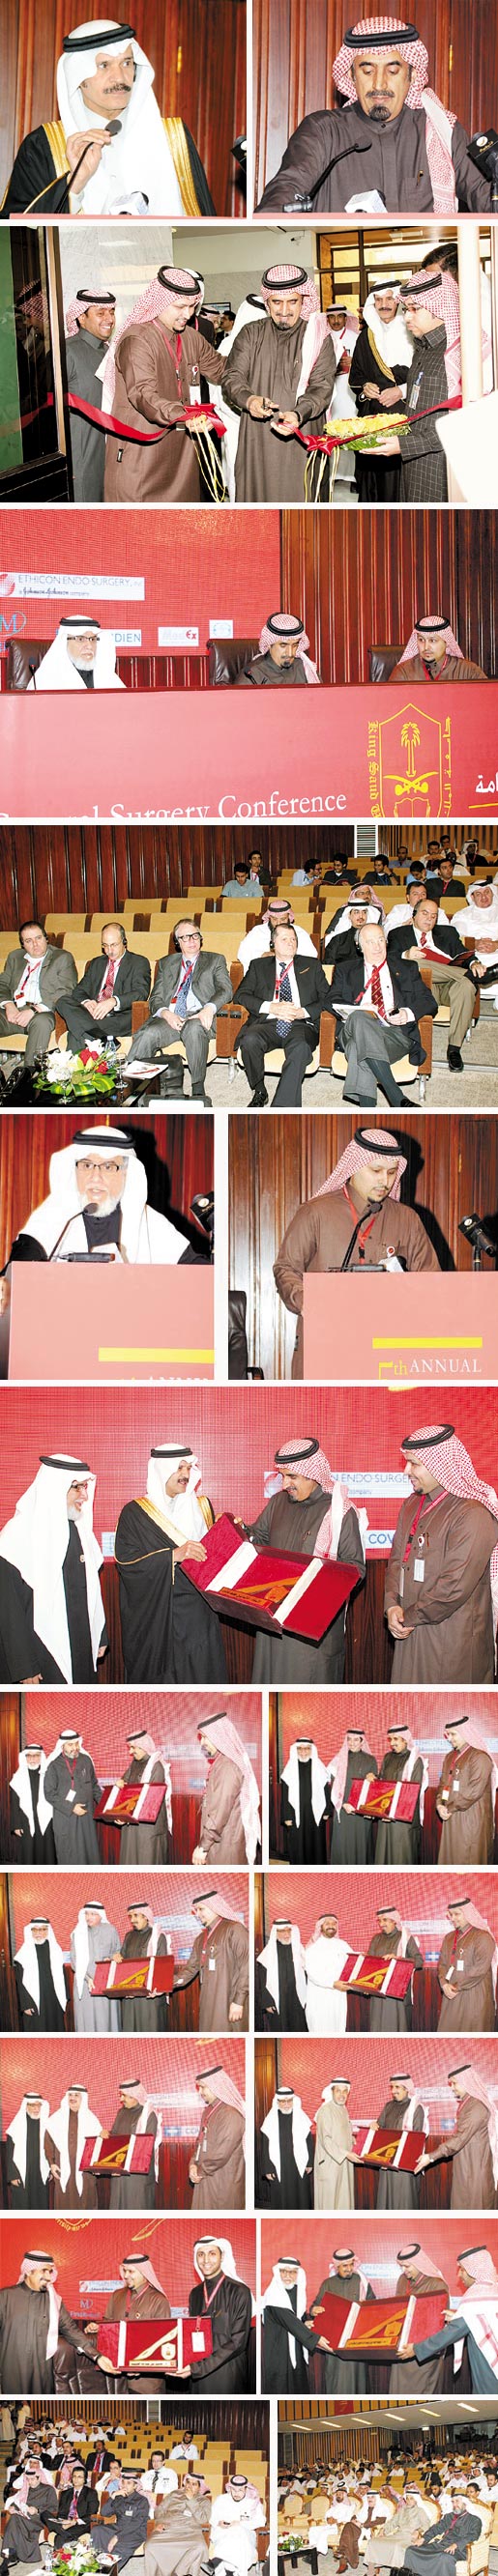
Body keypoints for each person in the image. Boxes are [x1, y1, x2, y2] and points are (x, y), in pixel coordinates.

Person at [256, 14, 494, 215]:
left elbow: (486, 198)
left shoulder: (440, 133)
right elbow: (287, 187)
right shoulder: (323, 131)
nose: (379, 84)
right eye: (368, 71)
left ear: (412, 75)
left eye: (393, 71)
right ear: (351, 75)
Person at [2, 18, 214, 216]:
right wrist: (74, 187)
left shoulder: (174, 139)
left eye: (126, 63)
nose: (119, 78)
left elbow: (206, 224)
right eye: (104, 65)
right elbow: (16, 233)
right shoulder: (43, 146)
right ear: (78, 77)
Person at [275, 1126, 439, 1376]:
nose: (385, 1181)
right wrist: (306, 1300)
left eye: (392, 1172)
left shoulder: (407, 1220)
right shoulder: (315, 1212)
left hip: (386, 1347)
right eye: (376, 1171)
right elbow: (286, 1268)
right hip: (326, 1343)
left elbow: (431, 1281)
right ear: (354, 1167)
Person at [385, 1421, 498, 1682]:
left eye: (414, 1464)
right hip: (408, 1630)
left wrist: (408, 1616)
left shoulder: (472, 1513)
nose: (406, 1471)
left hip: (452, 1640)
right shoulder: (411, 1504)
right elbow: (396, 1562)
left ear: (440, 1465)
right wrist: (391, 1606)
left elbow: (454, 1587)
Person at [103, 267, 227, 505]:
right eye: (180, 307)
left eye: (191, 306)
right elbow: (143, 395)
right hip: (142, 451)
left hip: (182, 453)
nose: (187, 314)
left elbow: (221, 369)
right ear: (159, 302)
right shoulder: (137, 340)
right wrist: (184, 416)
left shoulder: (190, 337)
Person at [246, 1432, 365, 1679]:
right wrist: (241, 1532)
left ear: (313, 1475)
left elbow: (355, 1569)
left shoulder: (339, 1512)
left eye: (292, 1477)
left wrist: (313, 1591)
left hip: (311, 1627)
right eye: (282, 1476)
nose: (285, 1484)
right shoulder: (278, 1502)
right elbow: (259, 1539)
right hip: (273, 1617)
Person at [115, 1440, 227, 1683]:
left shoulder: (202, 1506)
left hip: (199, 1612)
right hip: (160, 1613)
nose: (185, 1474)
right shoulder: (135, 1513)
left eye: (188, 1468)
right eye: (179, 1468)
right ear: (162, 1471)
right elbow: (127, 1564)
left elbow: (213, 1556)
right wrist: (173, 1556)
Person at [223, 263, 337, 503]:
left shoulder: (318, 337)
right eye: (277, 302)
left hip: (303, 432)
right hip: (258, 436)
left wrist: (298, 413)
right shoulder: (250, 333)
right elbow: (232, 376)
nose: (284, 311)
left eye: (292, 302)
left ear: (304, 301)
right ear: (267, 302)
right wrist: (249, 400)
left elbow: (322, 386)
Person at [376, 266, 489, 502]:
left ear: (440, 308)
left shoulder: (459, 351)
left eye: (415, 309)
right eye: (406, 309)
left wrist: (406, 445)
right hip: (413, 459)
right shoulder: (424, 347)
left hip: (442, 465)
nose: (407, 317)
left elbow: (465, 422)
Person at [0, 1452, 107, 1684]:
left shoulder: (80, 1531)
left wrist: (100, 1634)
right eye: (77, 1487)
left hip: (80, 1642)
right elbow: (9, 1610)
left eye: (85, 1487)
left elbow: (92, 1590)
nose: (84, 1495)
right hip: (39, 1652)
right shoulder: (15, 1537)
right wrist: (24, 1666)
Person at [331, 920, 436, 1106]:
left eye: (380, 940)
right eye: (370, 942)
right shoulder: (345, 969)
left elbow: (429, 1001)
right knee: (360, 1016)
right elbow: (330, 1000)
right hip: (353, 1029)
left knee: (357, 1049)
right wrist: (358, 1007)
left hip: (395, 1034)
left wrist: (407, 1013)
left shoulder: (406, 967)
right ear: (359, 946)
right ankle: (397, 1097)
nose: (377, 946)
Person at [125, 920, 231, 1102]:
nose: (192, 940)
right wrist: (166, 1014)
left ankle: (198, 1088)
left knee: (194, 1028)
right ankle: (130, 1087)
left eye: (195, 935)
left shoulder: (215, 960)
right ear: (177, 942)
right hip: (172, 1016)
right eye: (185, 937)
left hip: (199, 1014)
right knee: (148, 1034)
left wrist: (209, 1008)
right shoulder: (166, 963)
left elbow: (226, 990)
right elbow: (155, 998)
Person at [236, 921, 335, 1106]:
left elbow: (328, 998)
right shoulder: (259, 965)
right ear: (272, 943)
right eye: (284, 939)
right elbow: (241, 995)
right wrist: (270, 1007)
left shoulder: (311, 965)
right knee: (249, 1040)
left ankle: (282, 1106)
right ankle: (259, 1090)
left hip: (300, 1024)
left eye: (293, 939)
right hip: (268, 1022)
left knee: (301, 1048)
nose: (290, 943)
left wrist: (303, 1012)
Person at [388, 896, 478, 1072]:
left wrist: (474, 963)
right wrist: (405, 955)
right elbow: (389, 960)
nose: (429, 918)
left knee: (466, 986)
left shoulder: (447, 933)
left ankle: (454, 1049)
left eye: (434, 916)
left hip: (448, 985)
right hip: (421, 990)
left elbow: (463, 954)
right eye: (425, 913)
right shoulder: (398, 934)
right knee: (415, 963)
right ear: (414, 915)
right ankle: (469, 976)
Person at [0, 2252, 95, 2397]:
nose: (49, 2277)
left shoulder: (53, 2301)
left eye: (50, 2271)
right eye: (44, 2271)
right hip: (11, 2371)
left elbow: (71, 2330)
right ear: (29, 2271)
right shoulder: (5, 2297)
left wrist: (97, 2356)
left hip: (42, 2373)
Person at [348, 283, 410, 503]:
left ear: (399, 302)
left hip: (406, 417)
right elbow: (356, 375)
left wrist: (401, 391)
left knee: (398, 482)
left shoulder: (413, 331)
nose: (384, 305)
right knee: (372, 480)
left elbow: (429, 375)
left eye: (390, 299)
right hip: (372, 416)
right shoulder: (367, 337)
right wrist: (365, 387)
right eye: (379, 300)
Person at [408, 2245, 498, 2394]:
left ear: (473, 2271)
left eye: (462, 2270)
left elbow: (453, 2331)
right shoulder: (493, 2289)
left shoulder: (477, 2295)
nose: (459, 2275)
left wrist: (417, 2349)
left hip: (488, 2363)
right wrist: (457, 2316)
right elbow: (483, 2319)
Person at [415, 2063, 498, 2211]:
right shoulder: (468, 2103)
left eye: (454, 2083)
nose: (452, 2088)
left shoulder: (477, 2106)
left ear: (466, 2082)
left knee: (476, 2206)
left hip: (475, 2168)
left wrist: (431, 2156)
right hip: (466, 2164)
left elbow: (460, 2138)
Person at [57, 927, 150, 1055]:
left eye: (114, 945)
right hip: (91, 1013)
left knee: (76, 1031)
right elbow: (79, 991)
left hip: (118, 1017)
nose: (109, 950)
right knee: (62, 1001)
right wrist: (86, 1002)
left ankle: (73, 1065)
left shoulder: (139, 962)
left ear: (124, 942)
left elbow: (141, 993)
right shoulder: (97, 963)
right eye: (105, 945)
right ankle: (104, 1039)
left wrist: (113, 1001)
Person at [0, 921, 77, 1069]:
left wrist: (33, 1010)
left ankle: (29, 1072)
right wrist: (8, 1005)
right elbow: (2, 984)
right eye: (28, 941)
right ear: (22, 944)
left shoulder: (62, 957)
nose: (35, 944)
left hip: (42, 1012)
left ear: (46, 938)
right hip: (13, 1011)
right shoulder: (15, 957)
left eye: (38, 938)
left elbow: (66, 990)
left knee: (42, 1022)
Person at [65, 287, 116, 501]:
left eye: (111, 312)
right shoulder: (67, 351)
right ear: (81, 317)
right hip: (82, 457)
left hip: (108, 452)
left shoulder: (109, 351)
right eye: (100, 313)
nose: (109, 319)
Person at [172, 1888, 249, 2029]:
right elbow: (190, 1969)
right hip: (208, 2001)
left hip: (229, 2000)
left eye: (201, 1909)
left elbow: (247, 1966)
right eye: (196, 1910)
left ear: (215, 1907)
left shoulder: (234, 1929)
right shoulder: (200, 1938)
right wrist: (166, 1985)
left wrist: (239, 2001)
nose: (198, 1914)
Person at [193, 1712, 261, 1866]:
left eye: (205, 1737)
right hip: (222, 1839)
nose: (202, 1742)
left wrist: (203, 1846)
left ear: (217, 1736)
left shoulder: (228, 1766)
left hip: (225, 1843)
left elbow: (220, 1812)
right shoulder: (222, 1762)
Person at [187, 2236, 253, 2390]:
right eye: (201, 2254)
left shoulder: (240, 2291)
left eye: (212, 2253)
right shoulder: (195, 2293)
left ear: (222, 2256)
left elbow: (238, 2342)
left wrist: (199, 2368)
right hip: (196, 2374)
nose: (206, 2260)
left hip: (226, 2374)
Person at [308, 2247, 376, 2395]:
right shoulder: (328, 2284)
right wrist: (314, 2310)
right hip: (335, 2341)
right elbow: (315, 2306)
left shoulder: (361, 2282)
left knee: (358, 2377)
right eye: (345, 2266)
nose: (349, 2269)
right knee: (336, 2379)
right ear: (337, 2266)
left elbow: (373, 2305)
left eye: (351, 2264)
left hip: (356, 2339)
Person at [436, 1713, 497, 1864]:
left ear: (465, 1733)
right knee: (451, 1857)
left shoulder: (480, 1757)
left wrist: (449, 1807)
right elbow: (443, 1784)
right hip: (450, 1815)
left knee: (468, 1858)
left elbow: (474, 1792)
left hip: (471, 1818)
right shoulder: (449, 1757)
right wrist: (440, 1805)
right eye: (448, 1735)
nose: (449, 1738)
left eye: (453, 1734)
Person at [262, 2255, 327, 2394]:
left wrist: (305, 2323)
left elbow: (297, 2319)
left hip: (297, 2347)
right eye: (284, 2271)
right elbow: (289, 2321)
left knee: (298, 2385)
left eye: (292, 2272)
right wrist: (316, 2339)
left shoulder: (298, 2292)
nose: (288, 2276)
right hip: (279, 2349)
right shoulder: (274, 2294)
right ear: (278, 2272)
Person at [436, 1895, 496, 2033]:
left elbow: (480, 1970)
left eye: (457, 1914)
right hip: (451, 1994)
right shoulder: (448, 1937)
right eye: (451, 1915)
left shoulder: (483, 1937)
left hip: (474, 1995)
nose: (453, 1918)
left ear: (468, 1913)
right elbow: (442, 1964)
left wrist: (456, 1987)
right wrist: (444, 1984)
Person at [189, 2065, 246, 2208]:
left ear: (216, 2086)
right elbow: (199, 2143)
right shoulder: (208, 2111)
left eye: (203, 2087)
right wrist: (193, 2165)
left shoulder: (231, 2114)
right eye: (199, 2088)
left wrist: (200, 2170)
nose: (200, 2092)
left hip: (223, 2181)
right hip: (204, 2175)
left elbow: (222, 2154)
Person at [44, 1727, 102, 1864]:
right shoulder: (54, 1765)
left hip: (86, 1818)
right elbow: (49, 1793)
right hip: (66, 1819)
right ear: (62, 1746)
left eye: (76, 1744)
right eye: (70, 1745)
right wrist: (72, 1808)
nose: (75, 1748)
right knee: (70, 1856)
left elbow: (94, 1786)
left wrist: (107, 1807)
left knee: (88, 1855)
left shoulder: (86, 1760)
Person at [117, 1726, 172, 1865]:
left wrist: (126, 1817)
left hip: (148, 1827)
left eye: (133, 1748)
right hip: (132, 1823)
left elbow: (151, 1800)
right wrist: (120, 1783)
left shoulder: (156, 1767)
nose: (130, 1752)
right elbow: (125, 1786)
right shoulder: (135, 1764)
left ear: (143, 1746)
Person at [374, 1719, 426, 1865]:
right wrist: (374, 1779)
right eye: (390, 1739)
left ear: (405, 1739)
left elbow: (413, 1791)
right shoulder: (388, 1757)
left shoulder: (415, 1760)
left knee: (401, 1855)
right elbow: (382, 1782)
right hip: (386, 1814)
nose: (392, 1743)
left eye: (395, 1739)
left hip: (403, 1817)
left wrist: (394, 1813)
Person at [117, 1900, 173, 2034]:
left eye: (136, 1916)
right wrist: (116, 1958)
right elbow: (123, 1962)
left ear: (146, 1916)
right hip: (130, 1996)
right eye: (130, 1916)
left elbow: (162, 1968)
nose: (132, 1920)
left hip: (150, 1997)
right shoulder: (129, 1936)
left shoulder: (158, 1937)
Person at [27, 616, 126, 691]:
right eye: (80, 639)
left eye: (93, 639)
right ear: (65, 642)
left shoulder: (107, 676)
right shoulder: (46, 679)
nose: (89, 646)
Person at [367, 1904, 424, 2033]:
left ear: (394, 1921)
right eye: (379, 1921)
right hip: (378, 1990)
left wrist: (398, 1959)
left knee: (397, 2025)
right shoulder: (376, 1939)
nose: (381, 1924)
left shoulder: (405, 1938)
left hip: (397, 1991)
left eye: (385, 1920)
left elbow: (419, 1961)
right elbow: (370, 1963)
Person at [374, 2074, 426, 2210]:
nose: (393, 2091)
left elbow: (416, 2141)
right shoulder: (388, 2106)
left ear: (406, 2088)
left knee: (404, 2202)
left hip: (404, 2167)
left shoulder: (416, 2108)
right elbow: (380, 2130)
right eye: (392, 2087)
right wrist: (374, 2126)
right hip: (386, 2163)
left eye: (397, 2087)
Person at [388, 613, 488, 683]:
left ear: (446, 642)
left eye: (432, 640)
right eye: (421, 640)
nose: (426, 647)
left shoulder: (468, 671)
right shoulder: (403, 672)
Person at [328, 1724, 378, 1865]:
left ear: (362, 1742)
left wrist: (373, 1778)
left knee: (361, 1843)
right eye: (349, 1739)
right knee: (343, 1844)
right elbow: (334, 1787)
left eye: (356, 1740)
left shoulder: (370, 1760)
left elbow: (375, 1788)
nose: (352, 1743)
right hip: (343, 1809)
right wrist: (344, 1804)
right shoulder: (338, 1760)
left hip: (362, 1810)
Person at [45, 2085, 102, 2209]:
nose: (72, 2098)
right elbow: (48, 2142)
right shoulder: (56, 2119)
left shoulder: (92, 2120)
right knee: (64, 2202)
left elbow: (99, 2145)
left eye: (76, 2095)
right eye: (70, 2095)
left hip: (85, 2171)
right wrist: (52, 2163)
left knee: (85, 2201)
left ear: (83, 2098)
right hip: (62, 2168)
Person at [107, 2078, 160, 2210]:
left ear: (134, 2095)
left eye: (124, 2096)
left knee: (137, 2205)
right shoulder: (121, 2112)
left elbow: (146, 2145)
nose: (121, 2099)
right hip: (119, 2170)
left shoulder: (148, 2115)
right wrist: (106, 2134)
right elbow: (115, 2136)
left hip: (137, 2174)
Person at [71, 1900, 121, 2033]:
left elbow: (117, 1951)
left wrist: (112, 1957)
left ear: (101, 1915)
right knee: (86, 2019)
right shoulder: (78, 1934)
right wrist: (88, 1978)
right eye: (87, 1914)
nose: (89, 1917)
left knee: (107, 2019)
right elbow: (74, 1961)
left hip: (106, 1981)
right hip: (85, 1982)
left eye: (93, 1914)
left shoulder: (110, 1930)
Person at [235, 610, 321, 686]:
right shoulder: (252, 675)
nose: (290, 653)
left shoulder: (304, 668)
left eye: (294, 645)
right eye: (283, 645)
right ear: (269, 644)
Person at [260, 2087, 314, 2207]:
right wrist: (268, 2169)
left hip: (299, 2165)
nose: (286, 2104)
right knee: (281, 2198)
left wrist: (310, 2162)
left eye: (289, 2101)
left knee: (301, 2197)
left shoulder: (301, 2118)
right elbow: (265, 2147)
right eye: (282, 2101)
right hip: (279, 2165)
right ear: (277, 2102)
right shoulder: (270, 2120)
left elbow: (309, 2142)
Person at [279, 1736, 331, 1863]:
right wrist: (287, 1816)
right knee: (298, 1844)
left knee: (316, 1843)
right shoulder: (290, 1769)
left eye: (307, 1749)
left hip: (316, 1813)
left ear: (311, 1750)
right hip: (296, 1813)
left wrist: (327, 1811)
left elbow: (325, 1790)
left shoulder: (319, 1767)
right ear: (295, 1750)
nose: (303, 1752)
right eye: (300, 1749)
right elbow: (285, 1795)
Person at [143, 2476, 206, 2576]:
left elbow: (203, 2519)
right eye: (188, 2483)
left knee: (200, 2547)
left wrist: (191, 2500)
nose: (189, 2486)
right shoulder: (174, 2494)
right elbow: (159, 2510)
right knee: (150, 2545)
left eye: (194, 2484)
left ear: (199, 2488)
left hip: (190, 2531)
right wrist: (158, 2523)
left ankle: (179, 2573)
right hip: (168, 2528)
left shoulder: (203, 2500)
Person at [14, 1917, 68, 2032]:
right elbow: (20, 1982)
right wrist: (26, 2004)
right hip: (32, 2001)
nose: (38, 1933)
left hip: (54, 1999)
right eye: (35, 1929)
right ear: (30, 1931)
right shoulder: (24, 1953)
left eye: (42, 1929)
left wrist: (65, 1997)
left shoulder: (55, 1950)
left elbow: (62, 1976)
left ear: (48, 1931)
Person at [237, 895, 317, 970]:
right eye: (274, 919)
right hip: (263, 973)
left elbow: (312, 955)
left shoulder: (299, 932)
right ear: (269, 917)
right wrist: (261, 955)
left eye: (283, 919)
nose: (278, 923)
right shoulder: (257, 931)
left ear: (289, 917)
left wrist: (288, 957)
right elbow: (242, 953)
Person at [255, 1916, 308, 2031]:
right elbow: (263, 1978)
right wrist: (268, 2001)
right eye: (282, 1931)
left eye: (288, 1930)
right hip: (278, 1997)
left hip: (297, 1996)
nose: (286, 1934)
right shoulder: (269, 1952)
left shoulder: (298, 1948)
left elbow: (306, 1973)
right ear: (276, 1932)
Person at [305, 1913, 351, 2035]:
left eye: (334, 1923)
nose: (331, 1926)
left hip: (339, 1997)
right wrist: (333, 1984)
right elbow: (312, 1974)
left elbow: (353, 1964)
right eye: (327, 1923)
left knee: (338, 2028)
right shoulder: (313, 1948)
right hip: (320, 1998)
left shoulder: (343, 1945)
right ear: (320, 1927)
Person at [4, 2458, 60, 2560]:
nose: (30, 2482)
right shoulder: (27, 2489)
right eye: (28, 2480)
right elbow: (19, 2501)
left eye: (32, 2479)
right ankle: (10, 2554)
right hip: (25, 2517)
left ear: (39, 2478)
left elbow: (54, 2508)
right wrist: (12, 2507)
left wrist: (37, 2510)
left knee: (15, 2519)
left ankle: (10, 2555)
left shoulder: (49, 2489)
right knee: (15, 2517)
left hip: (40, 2519)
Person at [9, 1742, 56, 1863]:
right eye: (29, 1755)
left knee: (47, 1852)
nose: (33, 1759)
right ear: (25, 1757)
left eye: (36, 1755)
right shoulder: (18, 1778)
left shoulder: (48, 1775)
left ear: (41, 1757)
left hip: (46, 1820)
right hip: (25, 1821)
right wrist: (16, 1825)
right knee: (28, 1853)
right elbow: (14, 1803)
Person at [313, 2078, 355, 2212]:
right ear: (332, 2092)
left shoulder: (343, 2109)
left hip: (344, 2162)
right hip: (330, 2163)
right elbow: (326, 2140)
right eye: (338, 2091)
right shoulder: (325, 2110)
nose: (342, 2095)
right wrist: (346, 2154)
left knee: (343, 2199)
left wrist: (353, 2139)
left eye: (345, 2091)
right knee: (330, 2201)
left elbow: (341, 2133)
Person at [6, 2095, 52, 2211]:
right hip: (21, 2173)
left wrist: (50, 2168)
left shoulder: (46, 2124)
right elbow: (9, 2152)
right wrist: (13, 2175)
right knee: (22, 2204)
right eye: (32, 2105)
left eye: (38, 2105)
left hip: (40, 2172)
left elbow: (50, 2148)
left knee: (40, 2202)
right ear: (26, 2106)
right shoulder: (16, 2125)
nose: (36, 2109)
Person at [454, 881, 498, 1001]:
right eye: (478, 894)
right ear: (472, 897)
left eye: (487, 892)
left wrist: (496, 945)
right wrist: (474, 943)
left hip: (497, 951)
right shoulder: (462, 914)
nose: (484, 897)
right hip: (474, 953)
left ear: (493, 893)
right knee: (468, 960)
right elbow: (455, 936)